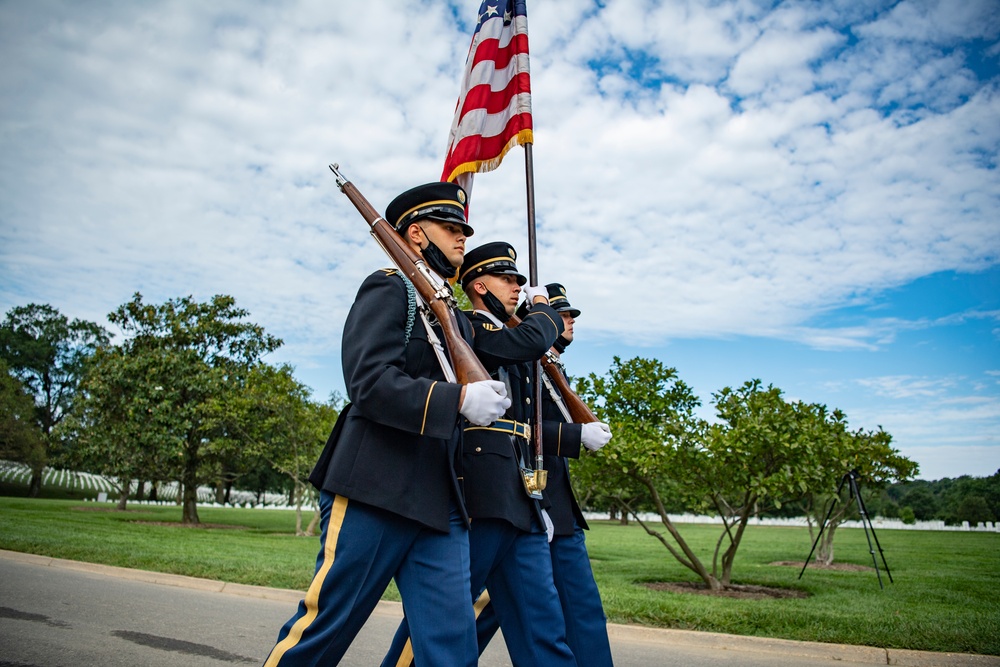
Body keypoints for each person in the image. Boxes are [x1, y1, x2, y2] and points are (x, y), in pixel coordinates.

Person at [262, 183, 511, 667]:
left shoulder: (453, 317)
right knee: (325, 627)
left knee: (450, 647)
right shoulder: (388, 286)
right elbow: (368, 382)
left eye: (464, 229)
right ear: (416, 234)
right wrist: (457, 400)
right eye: (452, 228)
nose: (464, 238)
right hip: (376, 483)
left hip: (441, 500)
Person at [382, 242, 577, 667]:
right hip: (483, 495)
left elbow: (522, 429)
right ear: (478, 285)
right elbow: (526, 340)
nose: (516, 287)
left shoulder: (503, 333)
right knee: (445, 622)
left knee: (545, 627)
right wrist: (541, 306)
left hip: (519, 496)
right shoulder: (472, 325)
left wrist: (536, 499)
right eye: (507, 279)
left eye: (519, 282)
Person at [474, 282, 615, 665]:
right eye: (561, 313)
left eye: (569, 314)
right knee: (464, 620)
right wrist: (574, 435)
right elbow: (513, 428)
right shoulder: (516, 357)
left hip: (553, 508)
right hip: (522, 501)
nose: (568, 321)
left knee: (577, 616)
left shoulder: (550, 366)